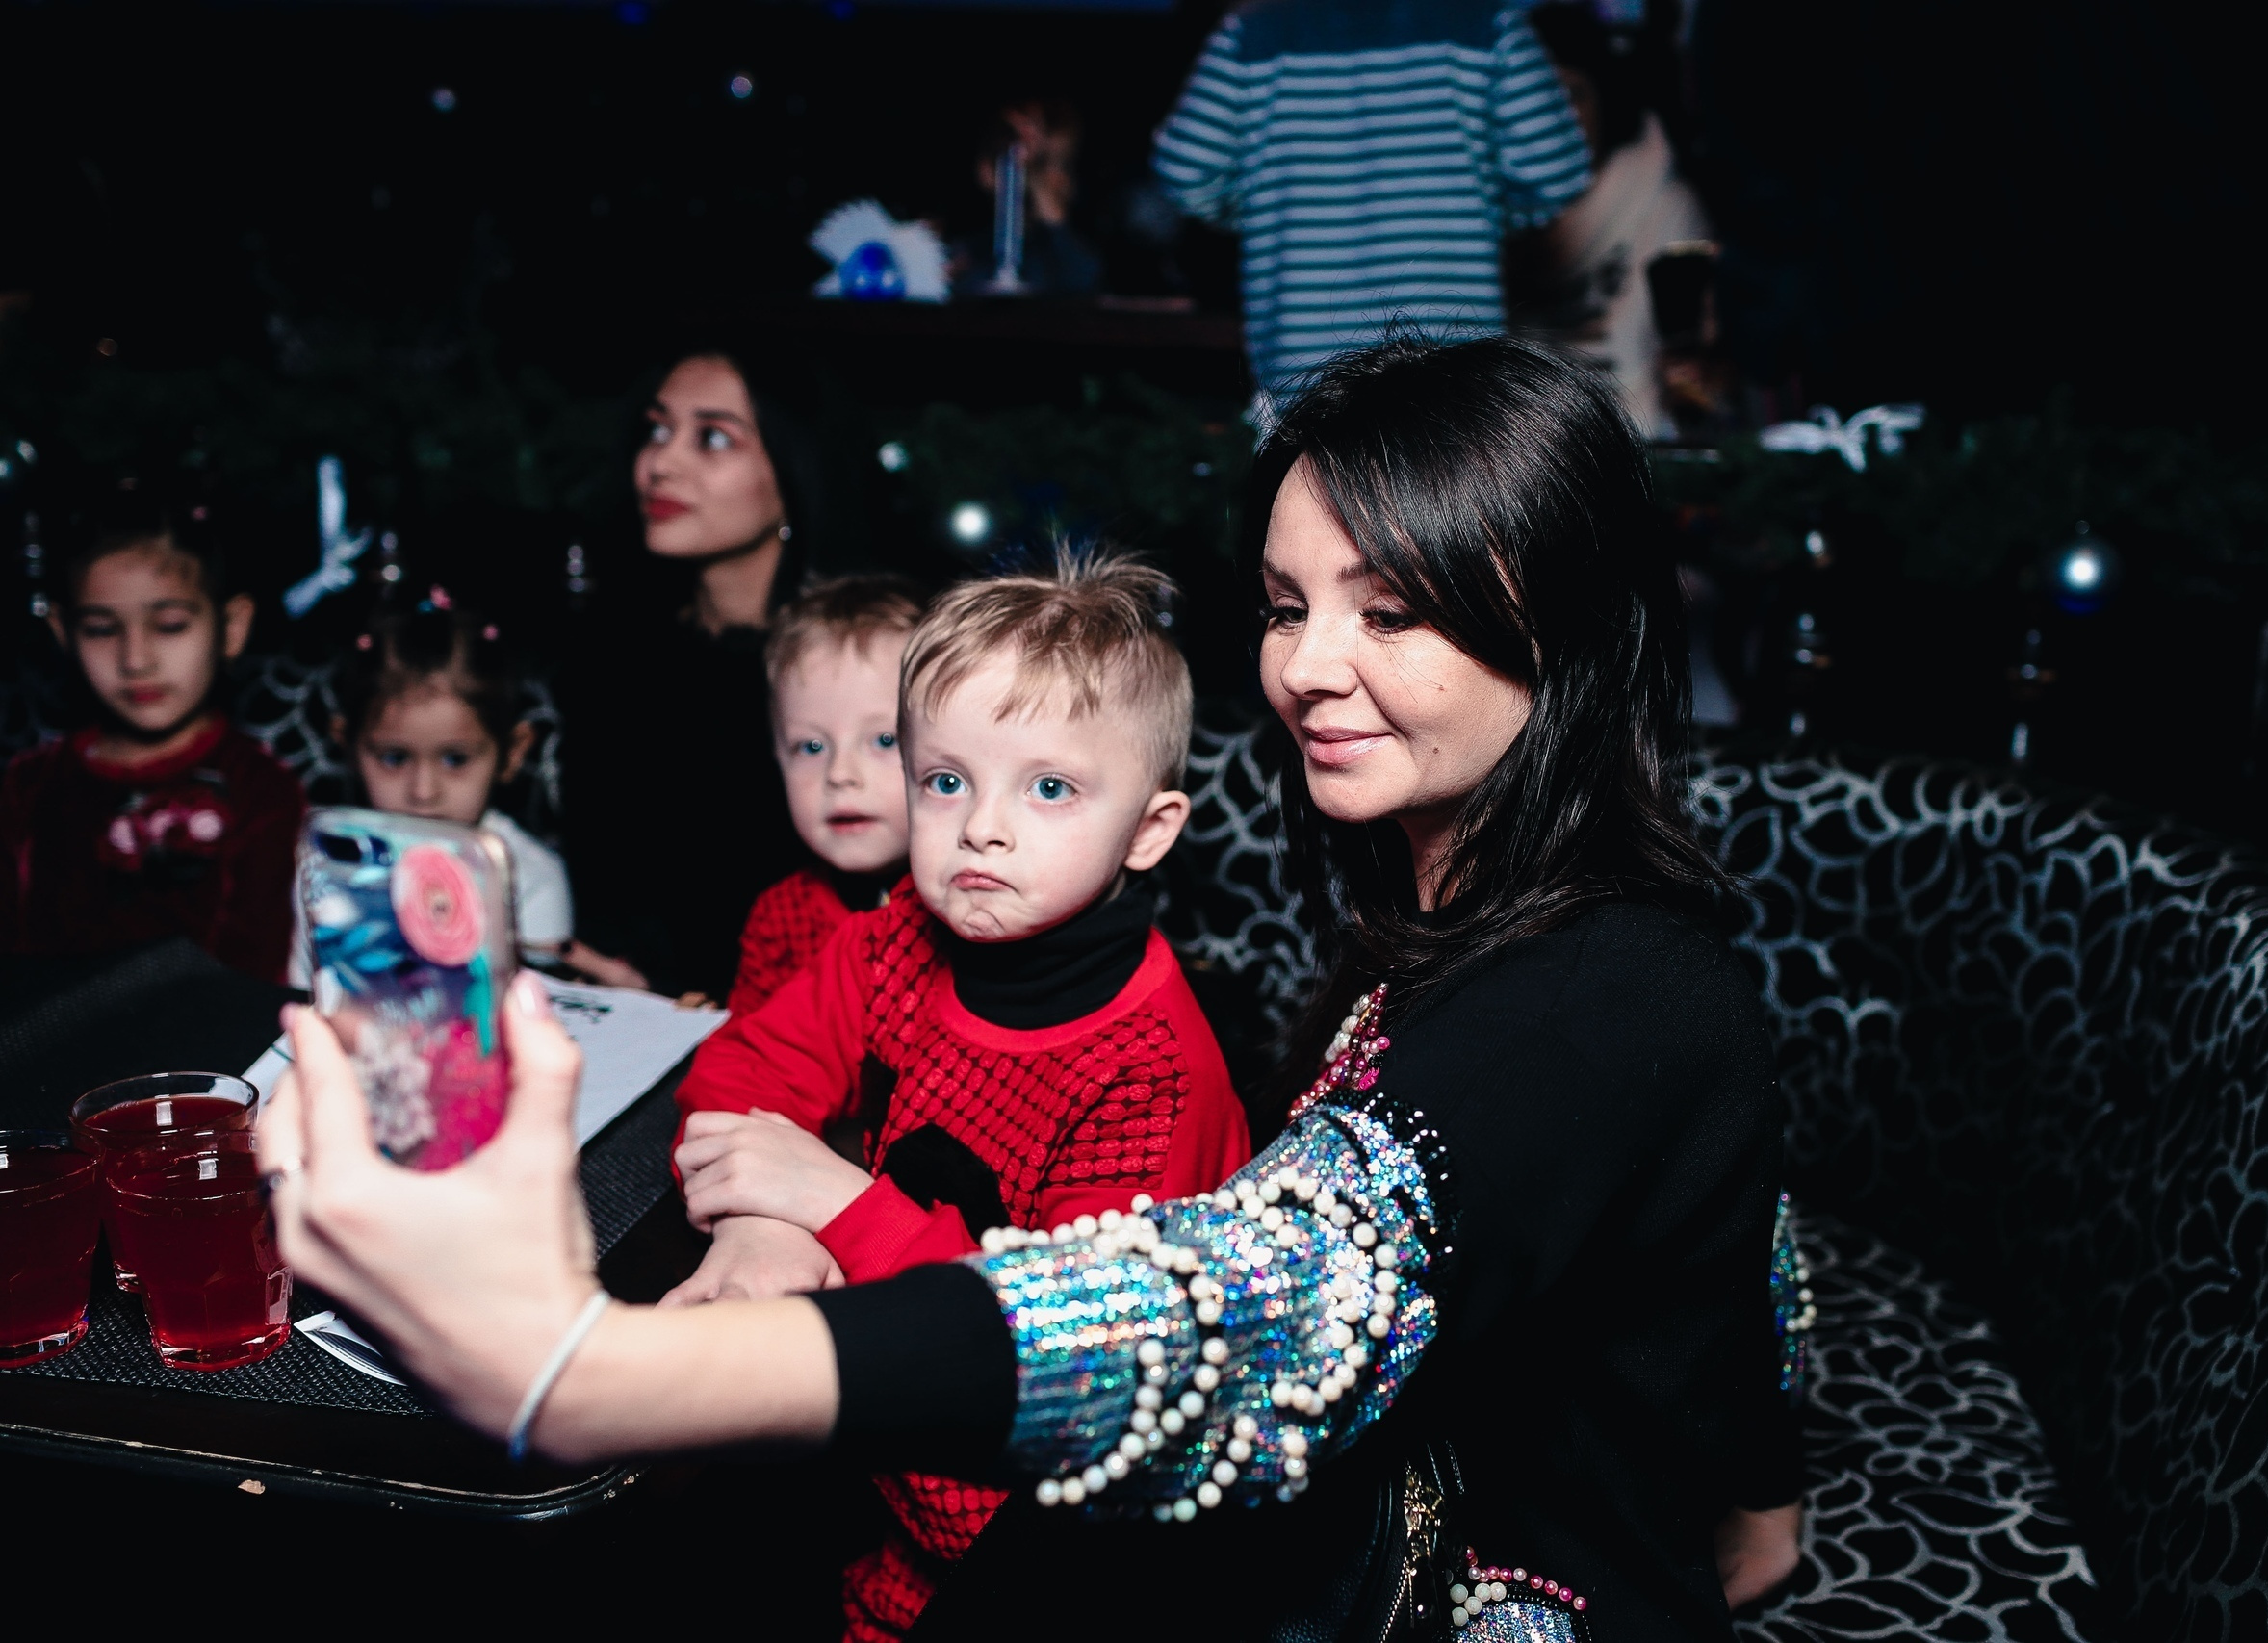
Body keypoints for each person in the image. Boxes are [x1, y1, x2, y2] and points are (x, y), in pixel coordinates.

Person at [257, 337, 1801, 1639]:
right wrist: (1762, 1483)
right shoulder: (1478, 903)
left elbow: (1260, 1310)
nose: (1309, 666)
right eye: (1285, 603)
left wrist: (597, 1373)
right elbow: (1748, 1252)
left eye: (1388, 610)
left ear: (1567, 621)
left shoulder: (1603, 987)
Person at [664, 554, 1253, 1640]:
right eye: (946, 780)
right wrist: (760, 1224)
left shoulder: (1149, 1076)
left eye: (1049, 788)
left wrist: (837, 1206)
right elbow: (738, 1071)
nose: (982, 826)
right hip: (894, 1503)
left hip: (1058, 1572)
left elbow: (1077, 1359)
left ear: (1151, 829)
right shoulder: (893, 938)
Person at [555, 346, 867, 1000]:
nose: (660, 463)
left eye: (714, 438)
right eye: (658, 429)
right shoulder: (614, 653)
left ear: (791, 470)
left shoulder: (853, 677)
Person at [1152, 0, 1593, 406]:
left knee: (1310, 487)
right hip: (1451, 360)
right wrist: (1482, 217)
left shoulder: (1254, 30)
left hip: (1302, 364)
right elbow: (1557, 168)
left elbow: (1184, 168)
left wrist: (1266, 215)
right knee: (1445, 487)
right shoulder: (1485, 21)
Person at [0, 487, 301, 983]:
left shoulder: (261, 789)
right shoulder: (27, 787)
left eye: (170, 625)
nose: (135, 660)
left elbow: (253, 976)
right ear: (63, 632)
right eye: (101, 629)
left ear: (231, 627)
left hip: (210, 1051)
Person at [328, 600, 570, 967]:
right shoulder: (331, 869)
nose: (424, 793)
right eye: (394, 758)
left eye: (455, 759)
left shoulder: (531, 881)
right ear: (347, 746)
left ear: (512, 753)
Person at [1513, 3, 1714, 440]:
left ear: (1607, 96)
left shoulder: (1665, 205)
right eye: (1541, 98)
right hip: (1528, 458)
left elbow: (1699, 371)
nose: (1557, 118)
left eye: (1574, 93)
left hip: (1647, 449)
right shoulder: (1506, 218)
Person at [728, 574, 924, 1019]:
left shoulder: (977, 913)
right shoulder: (779, 920)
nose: (839, 775)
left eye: (884, 740)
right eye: (811, 747)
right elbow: (745, 1061)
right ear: (778, 757)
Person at [949, 99, 1104, 298]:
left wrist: (1035, 174)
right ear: (985, 170)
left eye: (1051, 163)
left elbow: (1081, 281)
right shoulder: (968, 254)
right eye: (1009, 160)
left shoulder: (1070, 258)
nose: (1020, 170)